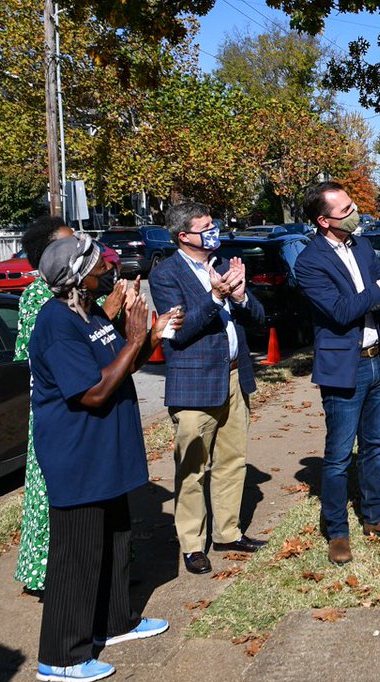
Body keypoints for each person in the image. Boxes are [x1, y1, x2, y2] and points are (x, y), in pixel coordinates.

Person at [29, 234, 179, 682]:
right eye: (98, 266)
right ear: (76, 276)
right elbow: (92, 392)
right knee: (77, 555)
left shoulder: (89, 311)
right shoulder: (56, 324)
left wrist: (147, 337)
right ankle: (61, 655)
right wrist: (134, 339)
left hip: (108, 453)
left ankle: (115, 623)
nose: (109, 270)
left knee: (114, 539)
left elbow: (121, 366)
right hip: (78, 457)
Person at [294, 182, 380, 565]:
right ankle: (337, 531)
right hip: (343, 368)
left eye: (353, 205)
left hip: (376, 361)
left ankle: (376, 517)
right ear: (323, 220)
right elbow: (341, 312)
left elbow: (379, 300)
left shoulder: (361, 246)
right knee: (338, 457)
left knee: (375, 446)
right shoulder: (310, 262)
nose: (354, 213)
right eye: (345, 209)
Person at [13, 217, 131, 594]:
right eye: (67, 243)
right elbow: (59, 357)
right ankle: (50, 577)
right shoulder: (42, 299)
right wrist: (109, 313)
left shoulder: (81, 295)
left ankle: (101, 582)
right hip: (62, 413)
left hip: (89, 409)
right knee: (55, 504)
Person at [149, 202, 267, 576]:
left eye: (214, 223)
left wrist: (241, 296)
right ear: (184, 236)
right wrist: (215, 298)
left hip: (233, 377)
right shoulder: (165, 275)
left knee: (232, 461)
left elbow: (260, 319)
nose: (214, 230)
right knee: (192, 469)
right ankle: (193, 545)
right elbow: (180, 332)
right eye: (206, 227)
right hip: (194, 384)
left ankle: (228, 533)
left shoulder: (224, 264)